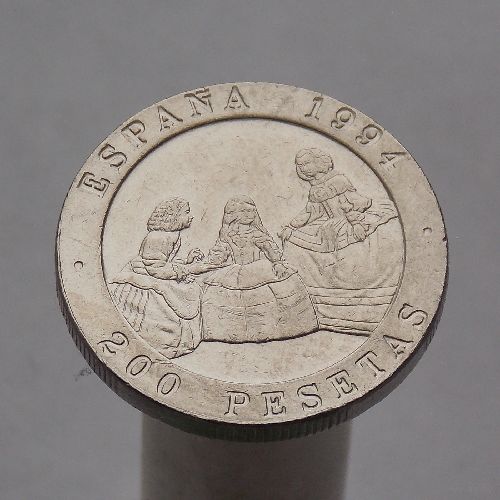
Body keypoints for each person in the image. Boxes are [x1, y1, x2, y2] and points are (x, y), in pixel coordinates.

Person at [201, 196, 318, 343]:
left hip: (259, 270)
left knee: (268, 298)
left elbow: (270, 249)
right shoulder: (226, 234)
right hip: (234, 273)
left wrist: (277, 262)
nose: (249, 214)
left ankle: (270, 330)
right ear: (233, 214)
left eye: (251, 211)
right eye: (244, 211)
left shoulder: (256, 233)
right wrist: (211, 260)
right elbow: (220, 251)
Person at [110, 198, 209, 359]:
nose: (191, 216)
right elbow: (154, 269)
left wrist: (186, 261)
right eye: (186, 212)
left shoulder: (172, 235)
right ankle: (169, 340)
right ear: (173, 216)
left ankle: (182, 339)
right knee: (185, 291)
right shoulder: (158, 237)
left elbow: (165, 263)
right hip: (144, 277)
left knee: (191, 289)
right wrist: (183, 272)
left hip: (157, 273)